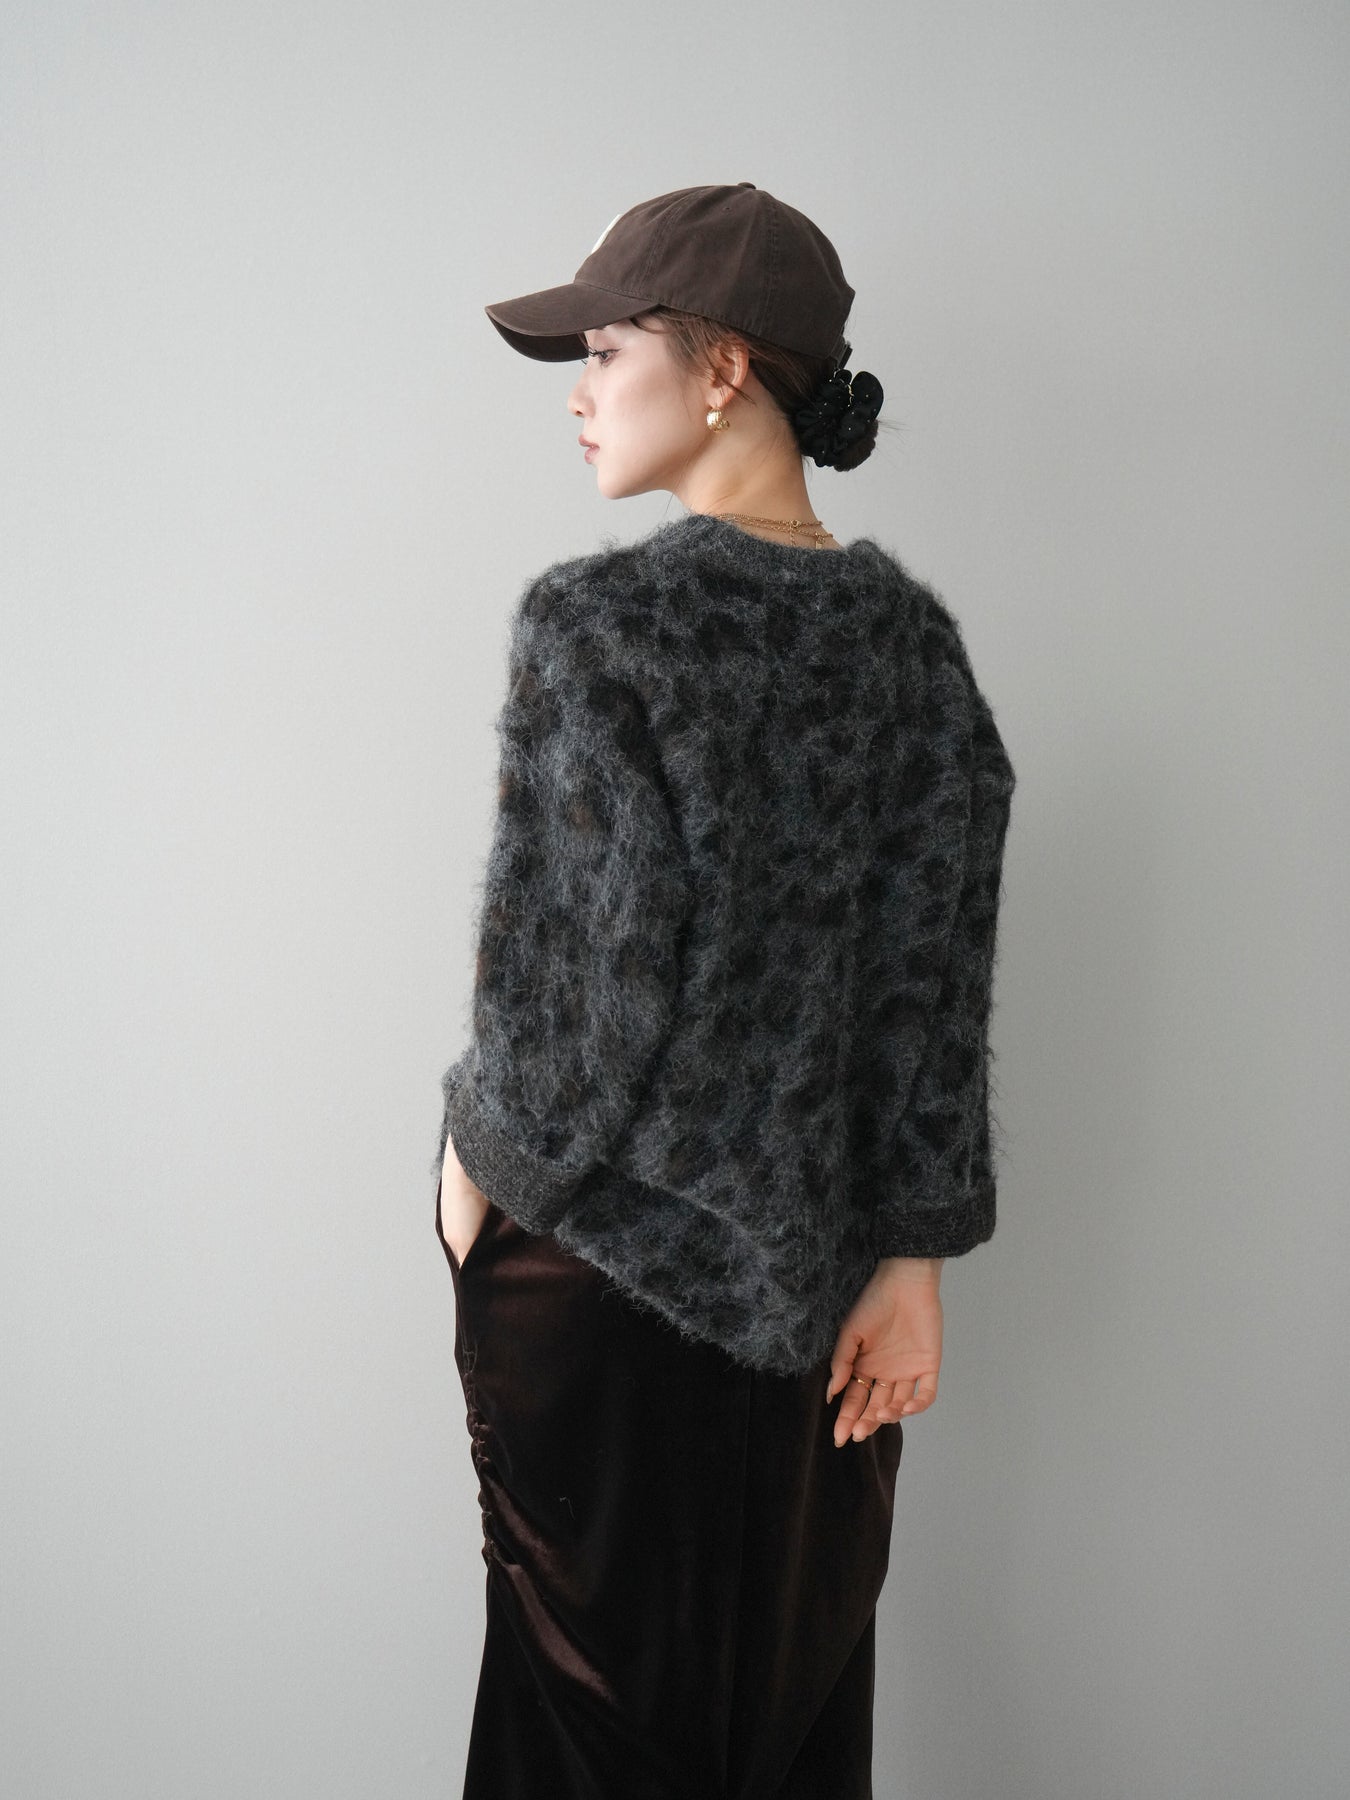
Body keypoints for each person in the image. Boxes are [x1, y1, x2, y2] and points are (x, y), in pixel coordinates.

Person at [431, 182, 1016, 1799]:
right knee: (783, 1732)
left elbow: (575, 995)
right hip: (825, 1299)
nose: (578, 393)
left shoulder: (599, 626)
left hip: (603, 1273)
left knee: (584, 1747)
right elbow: (933, 980)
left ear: (723, 369)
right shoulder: (914, 650)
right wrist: (910, 1259)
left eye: (604, 351)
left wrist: (473, 1174)